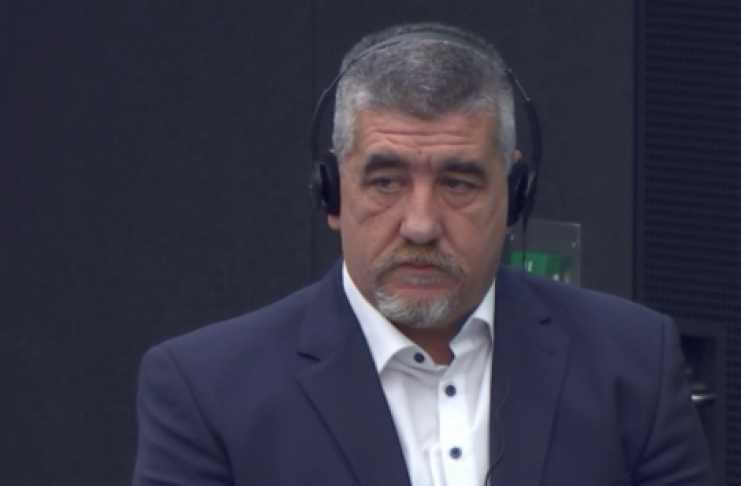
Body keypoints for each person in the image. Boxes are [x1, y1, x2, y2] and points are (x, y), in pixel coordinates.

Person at [132, 22, 715, 486]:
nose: (420, 225)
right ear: (331, 191)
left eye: (458, 183)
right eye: (386, 181)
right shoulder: (206, 390)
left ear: (515, 194)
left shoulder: (634, 362)